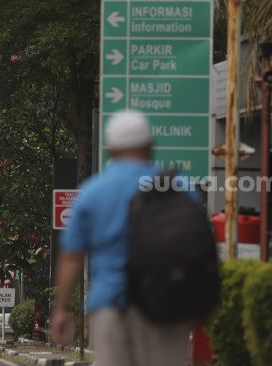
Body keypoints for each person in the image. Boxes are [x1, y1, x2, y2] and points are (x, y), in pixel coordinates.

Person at [51, 110, 194, 366]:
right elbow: (196, 245)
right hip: (167, 304)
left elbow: (72, 256)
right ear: (150, 145)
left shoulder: (93, 192)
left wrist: (61, 309)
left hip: (111, 304)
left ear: (112, 150)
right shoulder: (180, 186)